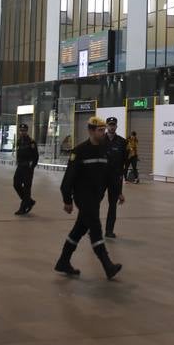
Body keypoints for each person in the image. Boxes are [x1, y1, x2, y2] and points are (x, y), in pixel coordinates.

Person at [54, 116, 122, 280]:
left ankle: (63, 261)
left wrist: (118, 191)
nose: (103, 132)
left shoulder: (105, 149)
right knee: (95, 228)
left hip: (96, 197)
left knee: (79, 229)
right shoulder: (79, 151)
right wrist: (67, 200)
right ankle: (108, 266)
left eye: (103, 129)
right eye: (100, 130)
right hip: (83, 197)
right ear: (91, 131)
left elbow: (111, 175)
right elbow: (68, 178)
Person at [100, 116, 127, 238]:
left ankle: (109, 230)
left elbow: (123, 165)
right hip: (100, 179)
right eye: (110, 124)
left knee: (112, 206)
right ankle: (93, 229)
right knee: (95, 204)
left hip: (114, 180)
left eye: (113, 125)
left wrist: (120, 191)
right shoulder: (99, 140)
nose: (111, 127)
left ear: (116, 126)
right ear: (106, 126)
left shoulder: (122, 142)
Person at [13, 126, 38, 215]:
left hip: (28, 167)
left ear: (27, 131)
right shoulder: (19, 141)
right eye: (21, 130)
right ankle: (29, 201)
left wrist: (32, 167)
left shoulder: (31, 142)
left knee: (27, 187)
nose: (22, 132)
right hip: (20, 166)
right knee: (16, 184)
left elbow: (36, 156)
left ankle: (23, 208)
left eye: (24, 131)